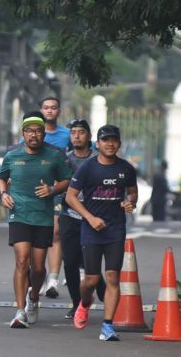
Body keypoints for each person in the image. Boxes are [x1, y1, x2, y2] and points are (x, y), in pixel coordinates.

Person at [0, 111, 72, 328]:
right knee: (22, 261)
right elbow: (1, 178)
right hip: (19, 214)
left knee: (38, 268)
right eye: (29, 131)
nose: (34, 135)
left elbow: (67, 179)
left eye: (38, 131)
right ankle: (20, 311)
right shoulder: (13, 156)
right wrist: (3, 195)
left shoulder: (54, 155)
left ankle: (34, 297)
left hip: (43, 217)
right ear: (23, 133)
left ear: (43, 134)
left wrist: (52, 188)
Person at [66, 125, 138, 341]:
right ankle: (84, 303)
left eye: (114, 140)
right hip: (91, 229)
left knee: (113, 277)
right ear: (98, 143)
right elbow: (70, 197)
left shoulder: (126, 169)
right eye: (105, 140)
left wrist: (130, 203)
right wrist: (90, 218)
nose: (110, 144)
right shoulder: (88, 168)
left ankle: (108, 326)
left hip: (115, 229)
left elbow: (133, 193)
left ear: (119, 143)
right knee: (91, 279)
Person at [58, 119, 105, 319]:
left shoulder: (98, 159)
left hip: (92, 216)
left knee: (90, 262)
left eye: (81, 132)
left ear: (89, 136)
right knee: (69, 262)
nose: (77, 135)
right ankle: (77, 304)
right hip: (69, 215)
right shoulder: (65, 160)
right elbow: (57, 186)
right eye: (73, 132)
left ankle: (105, 294)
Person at [39, 97, 71, 298]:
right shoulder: (31, 134)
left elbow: (85, 153)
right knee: (38, 236)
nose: (49, 111)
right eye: (46, 108)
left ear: (59, 111)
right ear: (41, 110)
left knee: (56, 233)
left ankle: (53, 279)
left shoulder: (68, 135)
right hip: (34, 191)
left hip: (58, 190)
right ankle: (39, 277)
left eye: (53, 108)